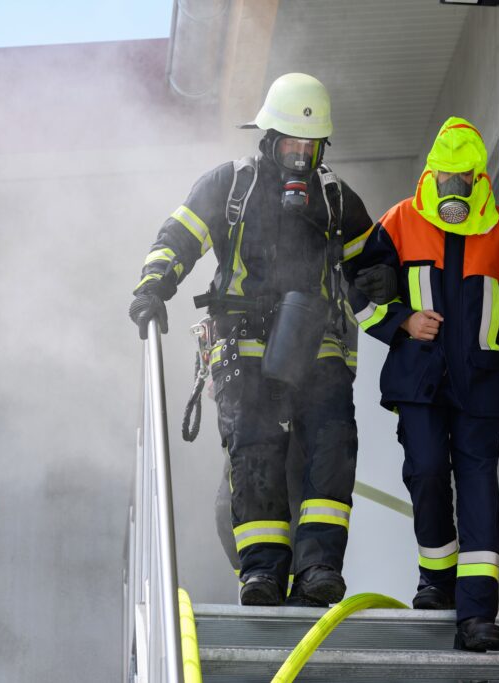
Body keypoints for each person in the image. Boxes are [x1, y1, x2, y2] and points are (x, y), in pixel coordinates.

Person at [129, 73, 374, 607]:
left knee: (332, 448)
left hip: (319, 344)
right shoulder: (230, 184)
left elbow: (371, 264)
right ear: (268, 138)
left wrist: (383, 287)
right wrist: (154, 285)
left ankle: (319, 568)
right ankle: (261, 571)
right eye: (291, 142)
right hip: (244, 343)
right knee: (256, 453)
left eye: (310, 146)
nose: (299, 156)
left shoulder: (336, 199)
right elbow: (179, 237)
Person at [348, 116, 499, 651]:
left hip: (479, 381)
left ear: (480, 180)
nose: (452, 189)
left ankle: (478, 614)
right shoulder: (398, 223)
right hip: (419, 380)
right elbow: (362, 295)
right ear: (431, 175)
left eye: (463, 180)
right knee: (428, 471)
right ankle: (436, 578)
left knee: (480, 487)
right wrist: (402, 323)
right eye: (445, 178)